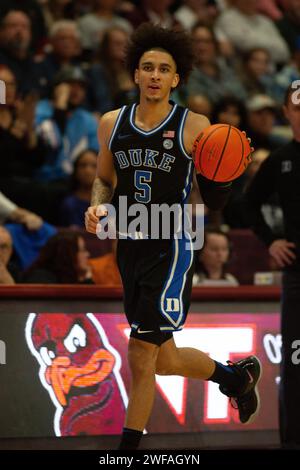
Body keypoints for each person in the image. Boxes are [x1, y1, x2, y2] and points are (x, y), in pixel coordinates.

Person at [85, 23, 261, 450]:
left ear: (176, 78)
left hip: (170, 244)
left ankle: (127, 454)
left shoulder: (195, 124)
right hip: (127, 242)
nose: (155, 75)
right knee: (163, 359)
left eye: (164, 69)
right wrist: (97, 205)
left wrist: (226, 177)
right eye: (147, 67)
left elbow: (217, 197)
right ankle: (236, 377)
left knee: (141, 357)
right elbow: (104, 179)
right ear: (136, 75)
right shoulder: (112, 123)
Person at [246, 84, 300, 448]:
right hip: (298, 274)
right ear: (286, 111)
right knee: (295, 364)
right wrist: (272, 241)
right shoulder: (280, 159)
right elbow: (248, 204)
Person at [23, 230, 94, 284]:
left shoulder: (69, 277)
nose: (88, 254)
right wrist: (87, 280)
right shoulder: (40, 279)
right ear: (67, 254)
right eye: (83, 250)